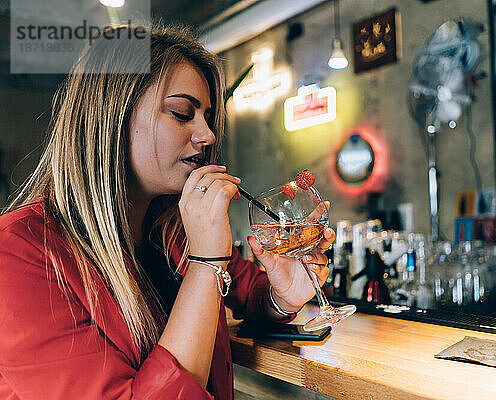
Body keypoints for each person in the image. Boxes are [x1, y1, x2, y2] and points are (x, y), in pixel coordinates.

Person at [0, 23, 334, 399]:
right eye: (181, 113)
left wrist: (281, 296)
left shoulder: (172, 228)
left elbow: (249, 292)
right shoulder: (17, 255)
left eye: (207, 117)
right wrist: (206, 261)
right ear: (112, 118)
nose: (207, 135)